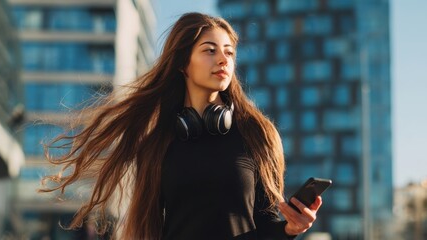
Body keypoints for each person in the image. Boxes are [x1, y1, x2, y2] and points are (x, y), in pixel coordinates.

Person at [41, 12, 323, 239]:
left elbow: (265, 223)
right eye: (210, 50)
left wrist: (291, 229)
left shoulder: (257, 134)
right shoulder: (159, 142)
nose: (223, 59)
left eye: (229, 52)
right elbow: (149, 227)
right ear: (182, 64)